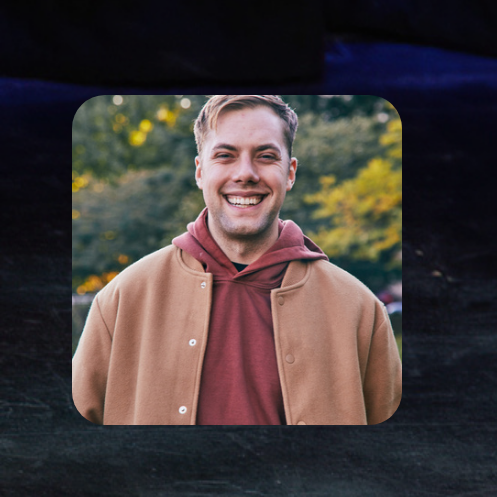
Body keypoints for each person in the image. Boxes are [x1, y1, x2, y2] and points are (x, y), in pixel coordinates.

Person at [72, 94, 401, 425]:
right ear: (200, 171)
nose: (245, 173)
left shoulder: (360, 310)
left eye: (266, 156)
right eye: (225, 156)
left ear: (290, 173)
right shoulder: (121, 300)